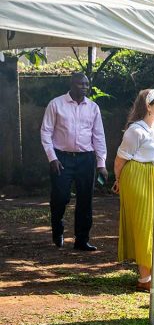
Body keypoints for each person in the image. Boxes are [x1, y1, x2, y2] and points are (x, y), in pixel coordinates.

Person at [40, 72, 108, 251]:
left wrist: (101, 164)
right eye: (81, 84)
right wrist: (52, 158)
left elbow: (98, 136)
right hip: (61, 158)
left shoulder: (93, 108)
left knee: (85, 200)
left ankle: (82, 239)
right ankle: (57, 228)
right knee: (60, 197)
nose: (85, 87)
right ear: (72, 84)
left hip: (86, 159)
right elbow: (45, 132)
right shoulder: (56, 104)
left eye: (87, 84)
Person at [114, 89, 154, 292]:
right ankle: (145, 278)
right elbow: (120, 160)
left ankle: (149, 275)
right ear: (148, 106)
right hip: (137, 177)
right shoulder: (135, 130)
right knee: (144, 225)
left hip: (153, 177)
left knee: (152, 225)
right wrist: (119, 180)